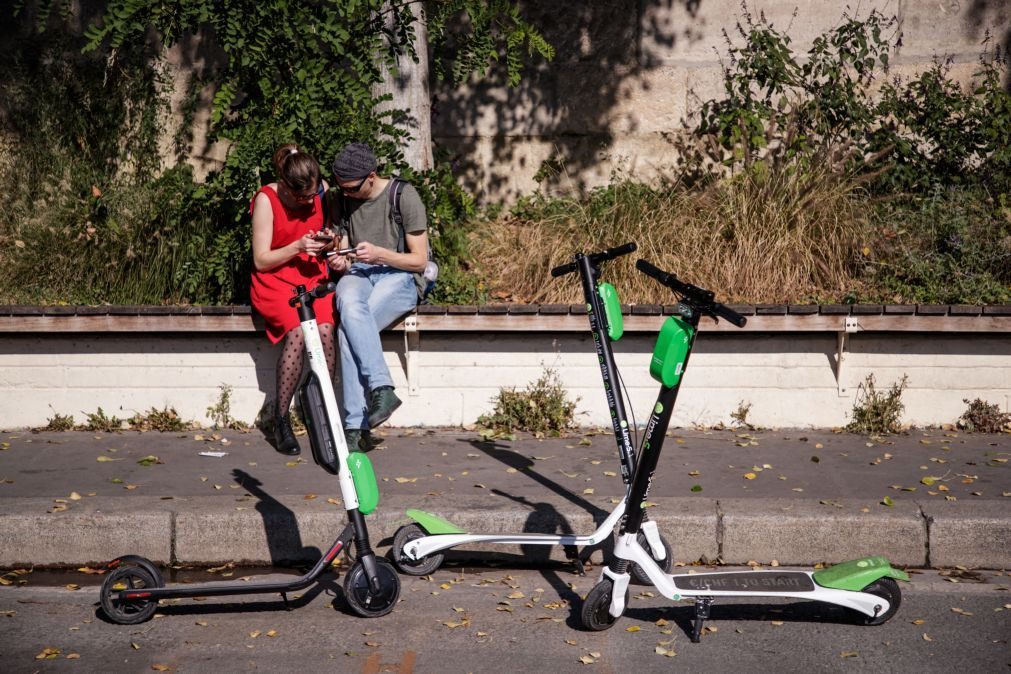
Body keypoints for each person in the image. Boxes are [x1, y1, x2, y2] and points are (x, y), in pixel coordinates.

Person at [326, 143, 428, 451]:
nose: (346, 194)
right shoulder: (343, 200)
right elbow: (343, 249)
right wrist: (341, 261)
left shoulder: (403, 196)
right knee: (348, 306)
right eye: (341, 188)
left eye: (352, 188)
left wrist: (381, 254)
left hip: (400, 275)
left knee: (348, 329)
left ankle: (354, 426)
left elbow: (419, 261)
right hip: (359, 274)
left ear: (371, 176)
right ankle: (381, 389)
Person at [250, 144, 337, 455]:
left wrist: (330, 242)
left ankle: (324, 411)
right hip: (276, 278)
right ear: (285, 186)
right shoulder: (267, 199)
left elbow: (333, 233)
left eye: (312, 196)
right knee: (298, 331)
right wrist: (298, 246)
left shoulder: (320, 191)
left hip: (312, 275)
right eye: (302, 198)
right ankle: (281, 419)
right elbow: (261, 260)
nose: (308, 202)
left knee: (326, 329)